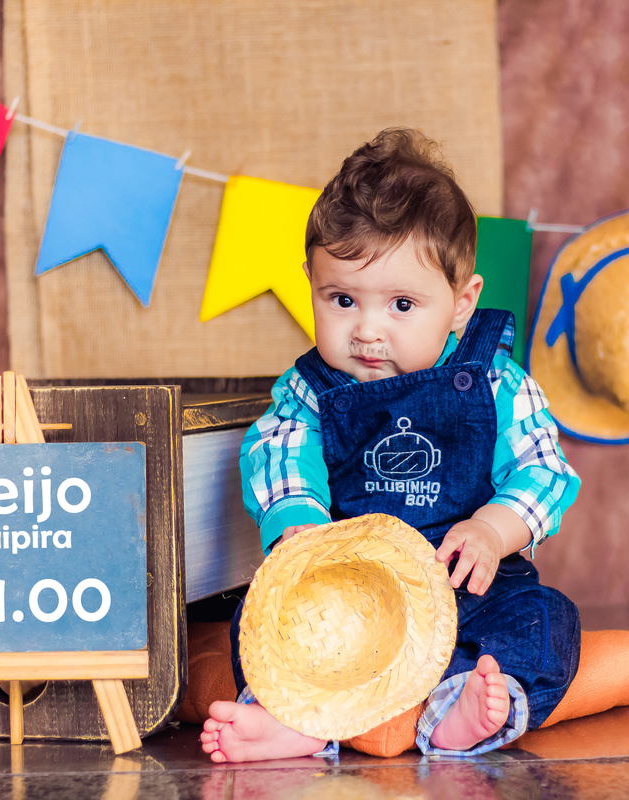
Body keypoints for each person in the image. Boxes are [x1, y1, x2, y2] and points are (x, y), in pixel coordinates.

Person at [201, 128, 581, 763]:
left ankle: (460, 706)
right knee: (259, 617)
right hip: (348, 598)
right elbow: (278, 452)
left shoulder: (495, 381)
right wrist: (299, 527)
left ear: (461, 304)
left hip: (465, 588)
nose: (367, 331)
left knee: (545, 620)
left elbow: (544, 469)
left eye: (402, 304)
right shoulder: (311, 390)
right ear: (311, 284)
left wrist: (491, 530)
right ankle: (295, 717)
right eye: (343, 300)